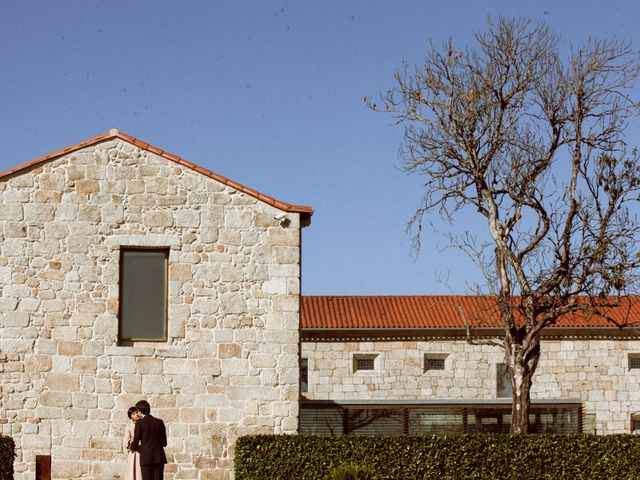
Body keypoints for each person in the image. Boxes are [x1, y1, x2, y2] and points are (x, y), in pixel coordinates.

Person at [129, 400, 167, 480]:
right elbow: (164, 443)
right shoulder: (160, 422)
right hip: (159, 457)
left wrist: (132, 447)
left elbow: (135, 443)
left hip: (146, 458)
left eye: (137, 411)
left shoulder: (139, 423)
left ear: (139, 411)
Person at [123, 406, 143, 480]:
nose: (136, 415)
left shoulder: (143, 423)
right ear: (130, 416)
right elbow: (126, 439)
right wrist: (130, 442)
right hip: (134, 451)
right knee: (132, 470)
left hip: (142, 450)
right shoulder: (129, 426)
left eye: (137, 412)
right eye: (133, 414)